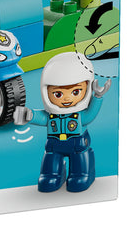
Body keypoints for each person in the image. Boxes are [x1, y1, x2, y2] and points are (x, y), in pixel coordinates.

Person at [14, 52, 111, 193]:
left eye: (75, 92)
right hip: (54, 145)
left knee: (80, 160)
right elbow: (43, 118)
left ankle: (82, 174)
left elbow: (89, 116)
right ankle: (51, 175)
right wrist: (29, 115)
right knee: (50, 161)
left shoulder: (80, 116)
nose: (66, 99)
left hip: (77, 144)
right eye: (58, 94)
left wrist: (97, 97)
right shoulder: (51, 115)